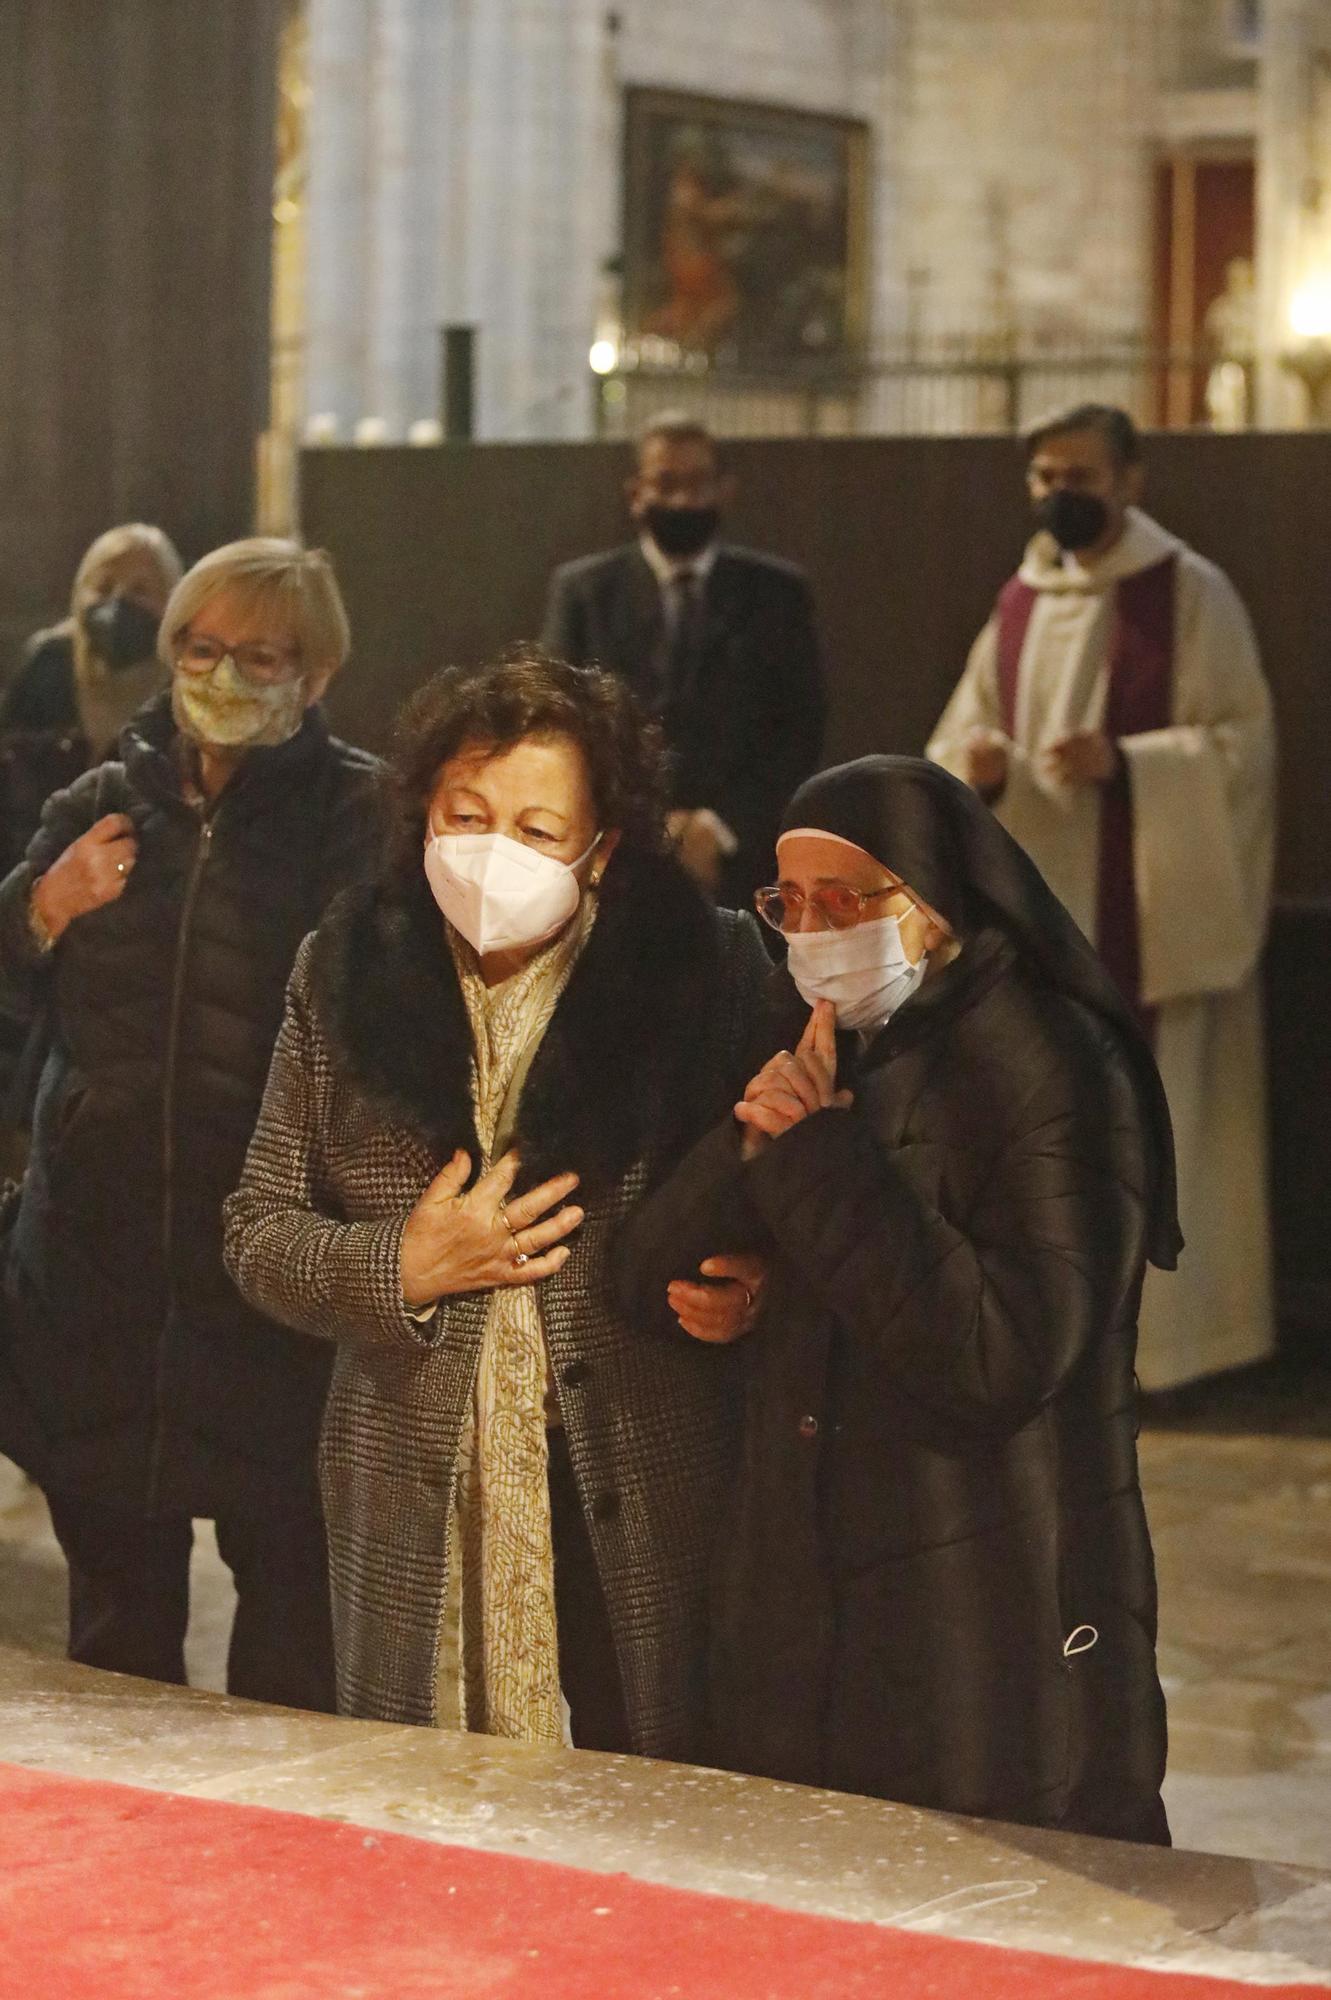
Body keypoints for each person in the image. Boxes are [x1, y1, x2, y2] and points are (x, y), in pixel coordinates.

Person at [616, 757, 1178, 1844]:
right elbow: (644, 1277)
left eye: (847, 899)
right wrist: (758, 1156)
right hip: (805, 1595)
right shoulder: (823, 1035)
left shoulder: (1052, 1063)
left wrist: (813, 1154)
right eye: (790, 903)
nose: (813, 930)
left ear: (931, 903)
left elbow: (1003, 1357)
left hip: (986, 1601)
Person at [223, 652, 769, 1752]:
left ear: (600, 847)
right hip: (411, 1472)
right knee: (432, 1826)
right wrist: (404, 1265)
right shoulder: (342, 968)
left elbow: (775, 1191)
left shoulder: (703, 971)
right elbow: (256, 1228)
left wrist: (759, 1285)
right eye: (464, 815)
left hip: (638, 1464)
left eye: (534, 829)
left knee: (651, 1810)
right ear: (421, 812)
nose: (490, 854)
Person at [0, 537, 385, 1710]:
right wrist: (38, 912)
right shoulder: (95, 805)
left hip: (270, 1291)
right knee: (116, 1646)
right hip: (101, 1284)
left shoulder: (359, 816)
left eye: (259, 655)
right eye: (202, 648)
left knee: (291, 1650)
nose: (223, 675)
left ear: (313, 675)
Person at [927, 404, 1275, 1392]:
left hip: (1149, 910)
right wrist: (978, 764)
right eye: (1042, 475)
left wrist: (1125, 763)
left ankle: (1167, 1347)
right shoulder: (1017, 598)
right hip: (1041, 917)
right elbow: (955, 736)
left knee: (1151, 1112)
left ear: (1130, 480)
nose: (1057, 494)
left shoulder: (1190, 594)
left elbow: (1242, 748)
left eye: (1077, 475)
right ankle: (1060, 1343)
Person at [541, 414, 825, 908]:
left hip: (746, 866)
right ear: (635, 493)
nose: (681, 501)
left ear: (724, 491)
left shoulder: (778, 594)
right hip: (612, 863)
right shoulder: (584, 594)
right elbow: (558, 726)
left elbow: (799, 731)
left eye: (697, 485)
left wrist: (718, 828)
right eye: (665, 483)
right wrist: (648, 828)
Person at [0, 524, 183, 874]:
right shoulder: (48, 668)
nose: (118, 602)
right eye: (102, 587)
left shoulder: (187, 690)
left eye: (140, 590)